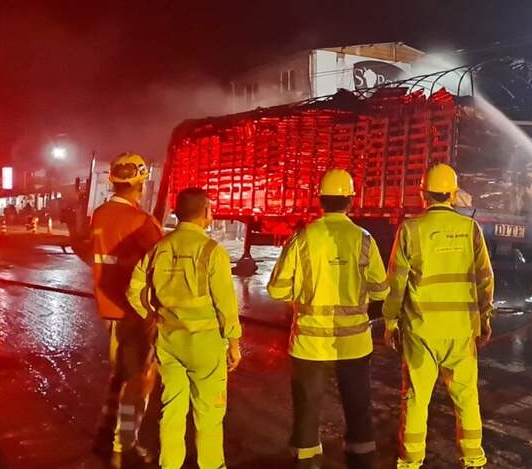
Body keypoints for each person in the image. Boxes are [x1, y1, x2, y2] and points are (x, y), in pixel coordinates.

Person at [267, 170, 389, 469]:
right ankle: (361, 461)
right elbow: (380, 289)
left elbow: (277, 289)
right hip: (354, 344)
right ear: (351, 200)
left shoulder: (303, 238)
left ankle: (306, 462)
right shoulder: (364, 239)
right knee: (359, 410)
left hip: (309, 343)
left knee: (307, 412)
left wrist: (303, 292)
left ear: (320, 200)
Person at [383, 163, 494, 469]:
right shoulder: (470, 230)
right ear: (454, 194)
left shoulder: (410, 230)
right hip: (461, 331)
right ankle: (473, 458)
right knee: (467, 397)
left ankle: (410, 460)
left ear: (423, 194)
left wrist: (391, 322)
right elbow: (485, 279)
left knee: (416, 398)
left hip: (421, 331)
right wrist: (485, 319)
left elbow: (396, 284)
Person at [126, 188, 241, 469]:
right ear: (205, 213)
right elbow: (225, 303)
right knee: (209, 415)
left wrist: (152, 315)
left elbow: (134, 290)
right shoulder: (212, 251)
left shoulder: (160, 248)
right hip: (205, 344)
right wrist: (234, 342)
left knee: (172, 411)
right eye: (210, 209)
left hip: (169, 341)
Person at [80, 153, 163, 464]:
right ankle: (123, 446)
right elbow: (161, 267)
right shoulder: (142, 223)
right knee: (138, 379)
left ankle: (106, 431)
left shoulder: (100, 215)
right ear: (140, 183)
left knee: (120, 375)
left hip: (111, 311)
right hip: (137, 314)